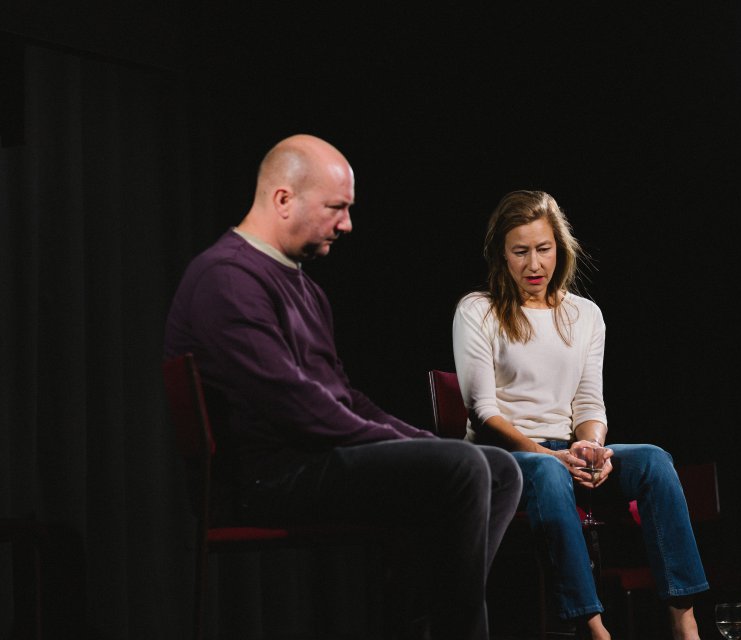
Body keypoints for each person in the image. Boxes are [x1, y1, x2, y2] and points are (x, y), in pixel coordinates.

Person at [164, 134, 522, 640]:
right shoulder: (227, 279)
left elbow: (343, 396)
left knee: (501, 469)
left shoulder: (305, 287)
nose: (348, 224)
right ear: (284, 199)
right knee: (462, 468)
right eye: (337, 207)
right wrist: (410, 448)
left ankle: (427, 622)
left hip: (313, 460)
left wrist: (420, 441)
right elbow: (293, 404)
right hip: (266, 478)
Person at [452, 190, 709, 640]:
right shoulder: (478, 310)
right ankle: (592, 625)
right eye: (521, 252)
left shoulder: (585, 315)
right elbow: (482, 410)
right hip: (503, 458)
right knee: (549, 476)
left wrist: (590, 444)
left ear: (560, 248)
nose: (534, 265)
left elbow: (589, 405)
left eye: (543, 249)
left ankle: (684, 621)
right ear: (501, 255)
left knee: (654, 460)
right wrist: (548, 457)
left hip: (563, 451)